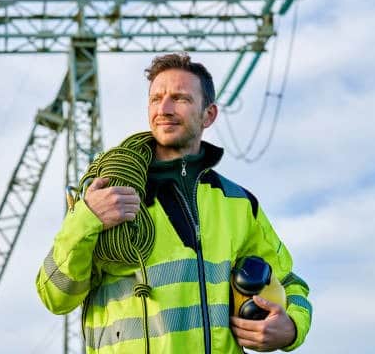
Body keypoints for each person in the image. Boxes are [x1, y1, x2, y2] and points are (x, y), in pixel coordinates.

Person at [36, 53, 312, 353]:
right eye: (156, 99)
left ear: (209, 115)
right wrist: (86, 218)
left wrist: (291, 327)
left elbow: (290, 284)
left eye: (180, 98)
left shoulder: (238, 203)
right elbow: (55, 296)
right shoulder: (108, 191)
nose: (164, 109)